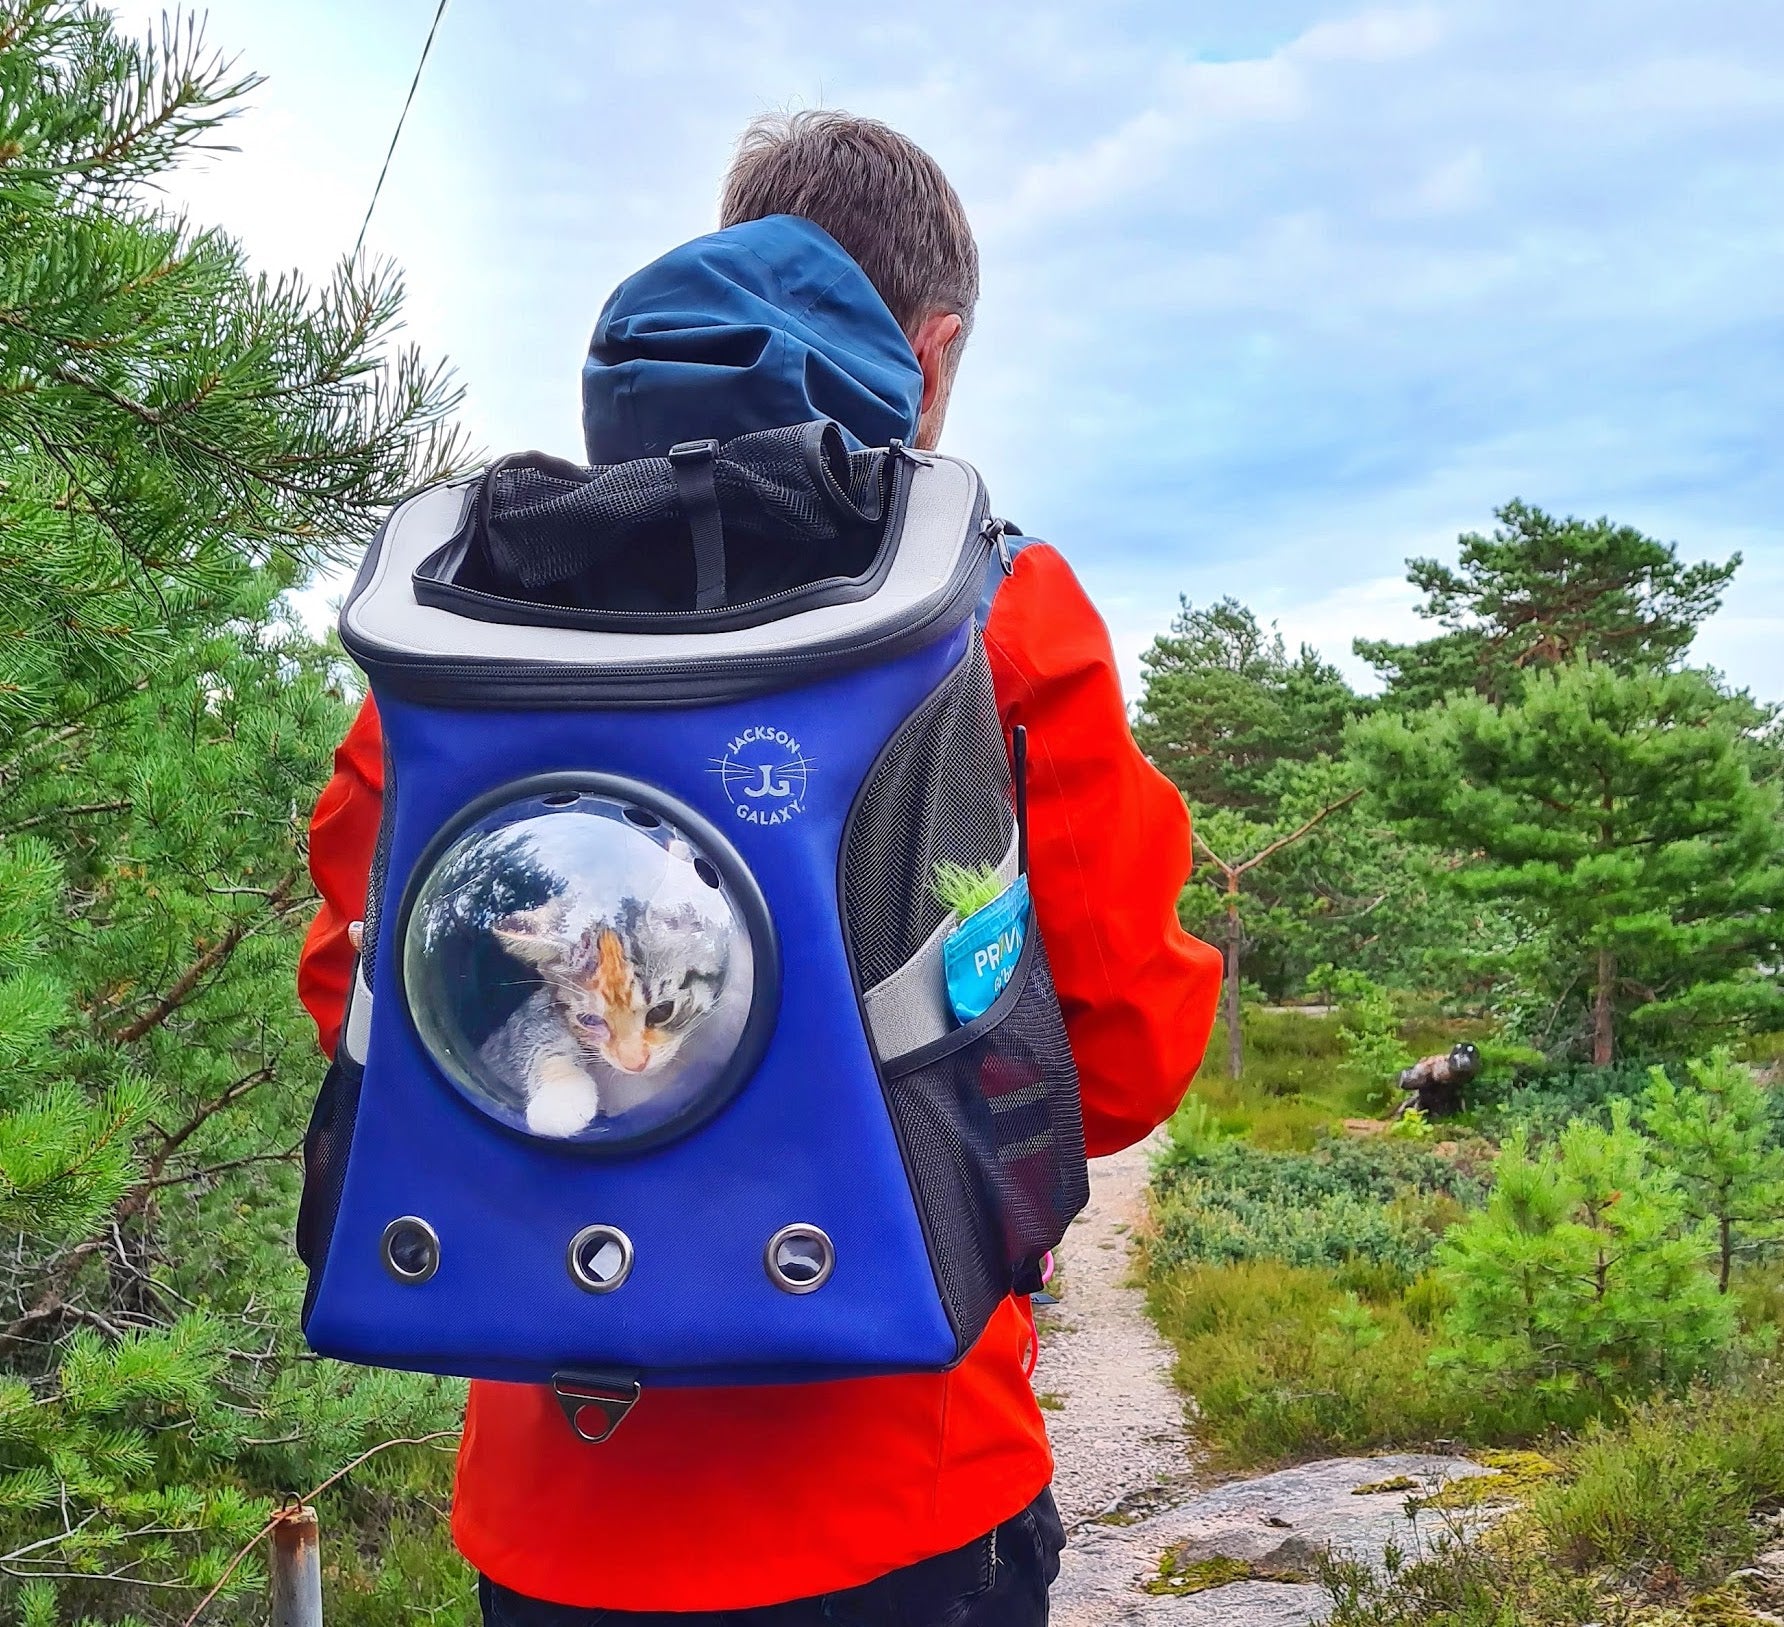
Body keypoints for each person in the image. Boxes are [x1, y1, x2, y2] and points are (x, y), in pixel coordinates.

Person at [299, 110, 1222, 1627]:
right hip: (899, 1495)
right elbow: (1114, 1067)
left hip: (551, 1505)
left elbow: (365, 1001)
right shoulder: (997, 613)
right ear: (923, 357)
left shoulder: (469, 636)